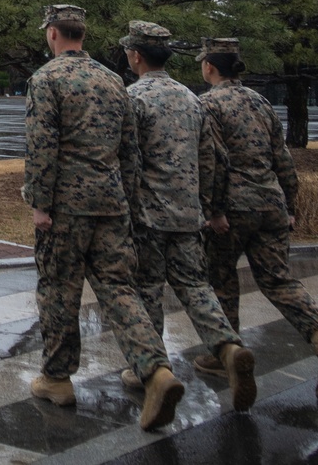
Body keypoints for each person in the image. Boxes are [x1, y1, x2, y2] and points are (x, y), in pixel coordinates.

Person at [24, 4, 186, 432]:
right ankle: (156, 370)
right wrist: (127, 201)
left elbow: (43, 145)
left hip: (66, 208)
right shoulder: (115, 81)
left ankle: (57, 379)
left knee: (59, 291)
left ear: (54, 34)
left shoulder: (47, 79)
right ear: (82, 34)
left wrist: (40, 203)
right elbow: (130, 151)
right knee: (119, 289)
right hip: (113, 202)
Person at [198, 36, 318, 400]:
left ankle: (227, 355)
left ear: (209, 66)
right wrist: (291, 206)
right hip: (271, 204)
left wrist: (214, 210)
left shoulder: (206, 105)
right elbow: (282, 157)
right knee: (279, 280)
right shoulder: (261, 102)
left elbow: (213, 163)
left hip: (232, 209)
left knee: (221, 281)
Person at [120, 20, 256, 410]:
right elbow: (213, 159)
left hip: (147, 215)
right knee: (196, 288)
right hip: (188, 214)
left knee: (147, 291)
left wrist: (126, 209)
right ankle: (229, 348)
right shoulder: (191, 99)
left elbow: (128, 161)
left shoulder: (134, 99)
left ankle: (150, 368)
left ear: (136, 55)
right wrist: (209, 207)